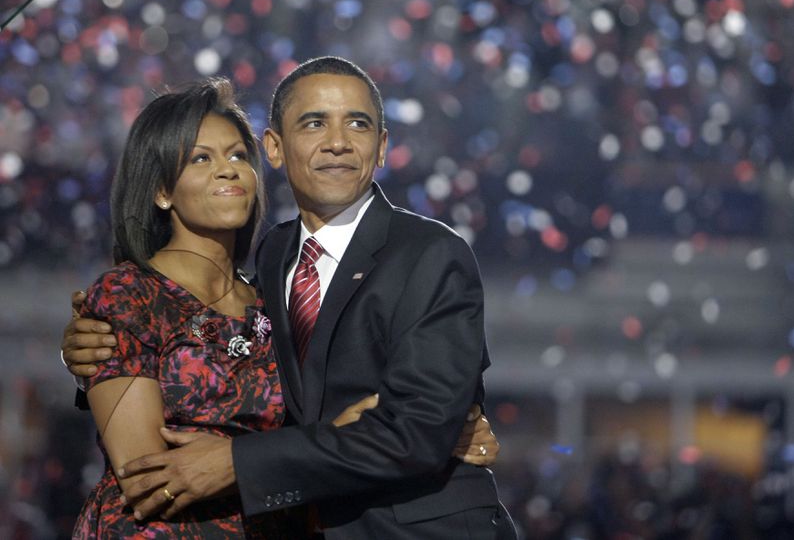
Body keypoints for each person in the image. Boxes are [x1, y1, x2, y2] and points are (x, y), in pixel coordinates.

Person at [64, 56, 516, 539]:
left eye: (358, 124)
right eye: (315, 122)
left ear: (382, 146)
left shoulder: (431, 254)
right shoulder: (275, 258)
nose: (338, 142)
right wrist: (95, 349)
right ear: (276, 148)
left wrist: (240, 463)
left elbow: (416, 432)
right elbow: (153, 455)